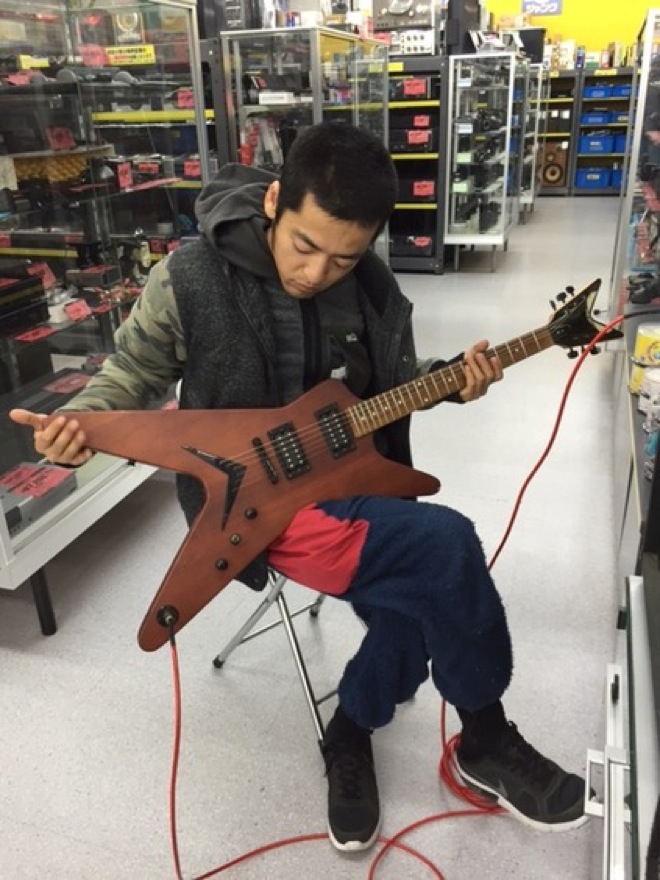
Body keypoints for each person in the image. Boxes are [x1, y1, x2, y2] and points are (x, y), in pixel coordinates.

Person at [10, 122, 589, 852]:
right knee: (444, 547)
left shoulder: (373, 287)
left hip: (353, 484)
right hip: (251, 504)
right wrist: (80, 426)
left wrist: (455, 380)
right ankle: (486, 738)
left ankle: (350, 729)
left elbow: (390, 386)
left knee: (418, 596)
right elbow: (133, 371)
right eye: (304, 245)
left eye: (343, 257)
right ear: (274, 201)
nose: (317, 272)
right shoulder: (191, 277)